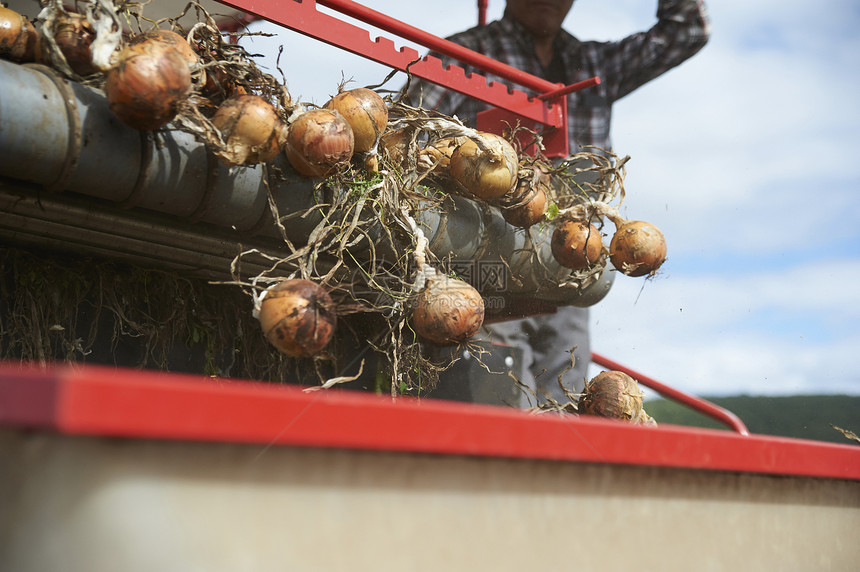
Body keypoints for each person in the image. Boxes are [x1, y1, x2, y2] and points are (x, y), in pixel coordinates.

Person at [406, 0, 710, 407]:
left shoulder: (593, 62)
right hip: (486, 267)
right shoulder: (464, 54)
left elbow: (688, 30)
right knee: (502, 392)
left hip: (571, 267)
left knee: (564, 393)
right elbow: (405, 136)